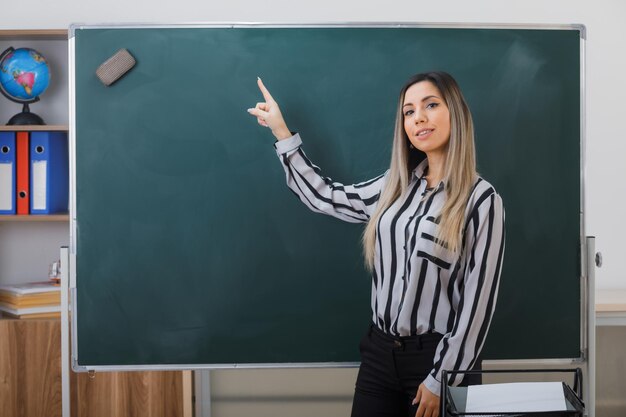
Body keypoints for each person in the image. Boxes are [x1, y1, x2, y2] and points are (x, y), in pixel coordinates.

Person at [247, 71, 505, 417]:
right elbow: (325, 196)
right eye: (409, 112)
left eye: (431, 105)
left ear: (455, 112)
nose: (419, 118)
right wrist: (281, 131)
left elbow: (478, 305)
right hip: (380, 355)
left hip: (436, 360)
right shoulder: (395, 186)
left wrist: (441, 379)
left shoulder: (481, 199)